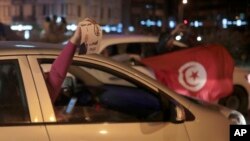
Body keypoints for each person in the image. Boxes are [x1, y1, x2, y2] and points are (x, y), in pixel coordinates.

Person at [45, 18, 102, 103]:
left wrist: (75, 39)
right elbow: (56, 74)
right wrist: (75, 39)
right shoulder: (43, 96)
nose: (44, 74)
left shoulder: (38, 96)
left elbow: (56, 74)